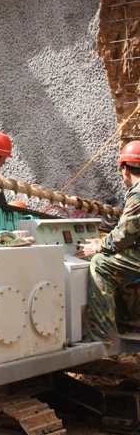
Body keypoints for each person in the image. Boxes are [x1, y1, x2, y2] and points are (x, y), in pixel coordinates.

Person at [74, 141, 140, 344]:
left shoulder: (138, 193)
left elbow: (125, 235)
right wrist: (104, 241)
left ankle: (103, 333)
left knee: (101, 265)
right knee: (117, 261)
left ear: (124, 168)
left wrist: (98, 246)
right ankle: (130, 322)